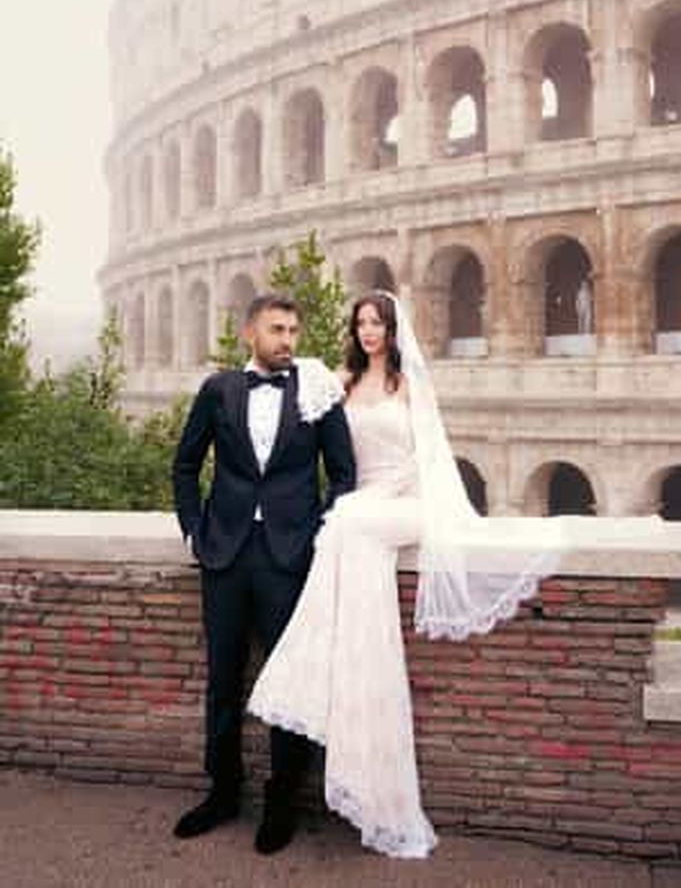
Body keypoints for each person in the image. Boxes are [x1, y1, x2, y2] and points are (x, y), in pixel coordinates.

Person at [247, 291, 557, 858]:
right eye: (361, 322)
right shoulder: (337, 382)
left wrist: (377, 497)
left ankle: (306, 664)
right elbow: (297, 438)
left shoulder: (410, 386)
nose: (369, 332)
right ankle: (352, 675)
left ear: (394, 330)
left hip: (405, 505)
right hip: (361, 509)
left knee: (346, 524)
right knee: (345, 523)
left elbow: (431, 466)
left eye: (378, 323)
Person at [172, 292, 356, 855]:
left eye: (295, 331)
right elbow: (184, 465)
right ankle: (222, 793)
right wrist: (193, 532)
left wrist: (314, 535)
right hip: (224, 554)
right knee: (222, 679)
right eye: (278, 329)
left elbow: (344, 476)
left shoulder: (318, 392)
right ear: (250, 332)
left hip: (287, 558)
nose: (289, 340)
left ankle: (282, 804)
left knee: (289, 685)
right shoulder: (218, 390)